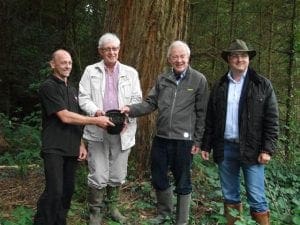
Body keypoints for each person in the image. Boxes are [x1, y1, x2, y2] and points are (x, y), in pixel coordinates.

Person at [122, 40, 209, 225]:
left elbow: (202, 113)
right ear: (170, 59)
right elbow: (150, 103)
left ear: (188, 57)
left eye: (182, 56)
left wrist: (198, 141)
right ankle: (164, 213)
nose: (179, 60)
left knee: (183, 180)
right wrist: (131, 109)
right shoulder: (163, 79)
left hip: (184, 140)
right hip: (161, 138)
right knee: (158, 176)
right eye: (175, 57)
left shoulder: (198, 79)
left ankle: (182, 221)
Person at [201, 39, 279, 225]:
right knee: (230, 195)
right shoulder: (220, 85)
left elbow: (272, 120)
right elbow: (211, 118)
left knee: (256, 197)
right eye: (235, 55)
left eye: (243, 55)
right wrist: (206, 144)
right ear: (228, 59)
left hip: (253, 150)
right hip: (225, 148)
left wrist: (267, 149)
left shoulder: (262, 84)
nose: (239, 59)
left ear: (249, 58)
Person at [34, 49, 113, 225]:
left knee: (67, 191)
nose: (67, 66)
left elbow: (77, 120)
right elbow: (65, 116)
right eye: (63, 62)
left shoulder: (72, 91)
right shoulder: (48, 87)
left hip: (71, 149)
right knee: (54, 191)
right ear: (53, 64)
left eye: (69, 62)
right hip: (54, 147)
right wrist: (95, 120)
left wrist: (81, 144)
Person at [78, 33, 142, 224]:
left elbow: (137, 100)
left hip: (123, 129)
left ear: (119, 50)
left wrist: (126, 115)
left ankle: (112, 207)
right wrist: (96, 112)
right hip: (98, 129)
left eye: (114, 48)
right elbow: (83, 97)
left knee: (118, 173)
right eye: (107, 49)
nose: (111, 52)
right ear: (101, 51)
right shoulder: (90, 71)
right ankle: (95, 211)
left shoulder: (130, 73)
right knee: (98, 173)